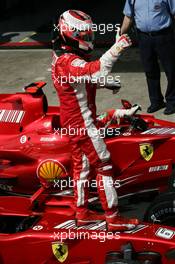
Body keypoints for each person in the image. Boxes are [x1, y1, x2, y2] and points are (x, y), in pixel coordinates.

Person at [52, 9, 139, 231]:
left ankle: (81, 213)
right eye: (85, 37)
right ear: (72, 34)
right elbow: (96, 71)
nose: (89, 40)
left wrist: (107, 83)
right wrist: (118, 47)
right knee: (104, 164)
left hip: (73, 122)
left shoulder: (63, 58)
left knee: (81, 167)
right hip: (81, 124)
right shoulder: (68, 61)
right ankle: (113, 217)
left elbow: (82, 81)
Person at [121, 0, 175, 115]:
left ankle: (172, 102)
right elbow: (128, 16)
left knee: (171, 71)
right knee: (150, 70)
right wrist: (120, 34)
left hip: (164, 36)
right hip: (144, 38)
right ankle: (156, 101)